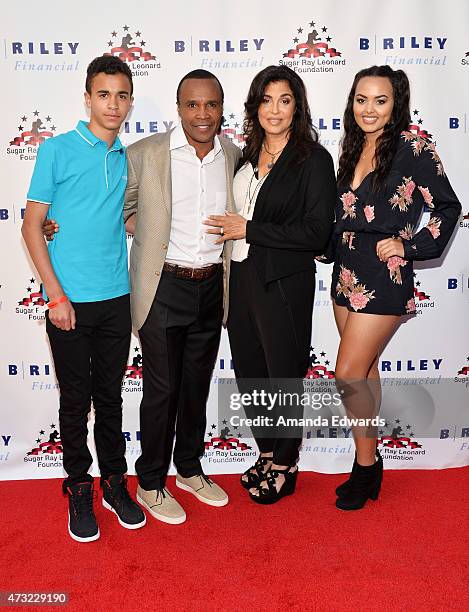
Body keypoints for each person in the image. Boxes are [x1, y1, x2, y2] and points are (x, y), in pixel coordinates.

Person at [22, 56, 146, 542]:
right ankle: (78, 487)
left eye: (121, 95)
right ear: (88, 97)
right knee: (75, 402)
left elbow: (122, 218)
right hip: (69, 300)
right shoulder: (57, 150)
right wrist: (55, 295)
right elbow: (33, 226)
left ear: (130, 101)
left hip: (118, 298)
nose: (112, 104)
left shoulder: (126, 158)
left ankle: (115, 483)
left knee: (110, 399)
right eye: (104, 94)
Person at [326, 65, 461, 510]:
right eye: (361, 99)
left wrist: (411, 243)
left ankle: (365, 466)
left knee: (346, 373)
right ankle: (371, 459)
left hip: (384, 278)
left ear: (395, 103)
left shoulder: (414, 148)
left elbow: (448, 205)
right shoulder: (351, 146)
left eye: (380, 100)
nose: (368, 109)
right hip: (345, 273)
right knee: (363, 372)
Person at [204, 65, 336, 504]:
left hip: (283, 282)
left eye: (284, 100)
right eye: (266, 100)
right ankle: (265, 450)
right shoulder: (246, 153)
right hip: (239, 278)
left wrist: (251, 229)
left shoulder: (313, 159)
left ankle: (285, 461)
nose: (274, 110)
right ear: (254, 106)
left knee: (283, 375)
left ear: (296, 106)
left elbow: (316, 232)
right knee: (251, 374)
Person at [124, 70, 241, 524]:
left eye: (211, 105)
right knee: (162, 389)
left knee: (195, 386)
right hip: (162, 287)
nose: (202, 114)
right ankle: (150, 482)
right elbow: (118, 209)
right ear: (178, 108)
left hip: (212, 285)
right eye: (192, 105)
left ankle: (190, 469)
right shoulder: (147, 154)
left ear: (221, 108)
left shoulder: (231, 155)